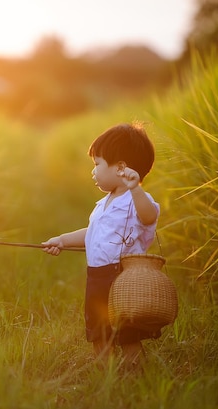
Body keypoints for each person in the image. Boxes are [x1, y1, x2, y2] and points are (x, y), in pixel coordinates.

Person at [42, 122, 160, 368]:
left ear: (120, 168)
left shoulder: (136, 200)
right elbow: (92, 233)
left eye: (97, 164)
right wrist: (62, 240)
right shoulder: (102, 204)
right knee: (99, 332)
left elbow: (149, 217)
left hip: (124, 278)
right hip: (97, 277)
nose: (93, 172)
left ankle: (135, 373)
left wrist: (135, 189)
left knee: (128, 333)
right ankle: (105, 375)